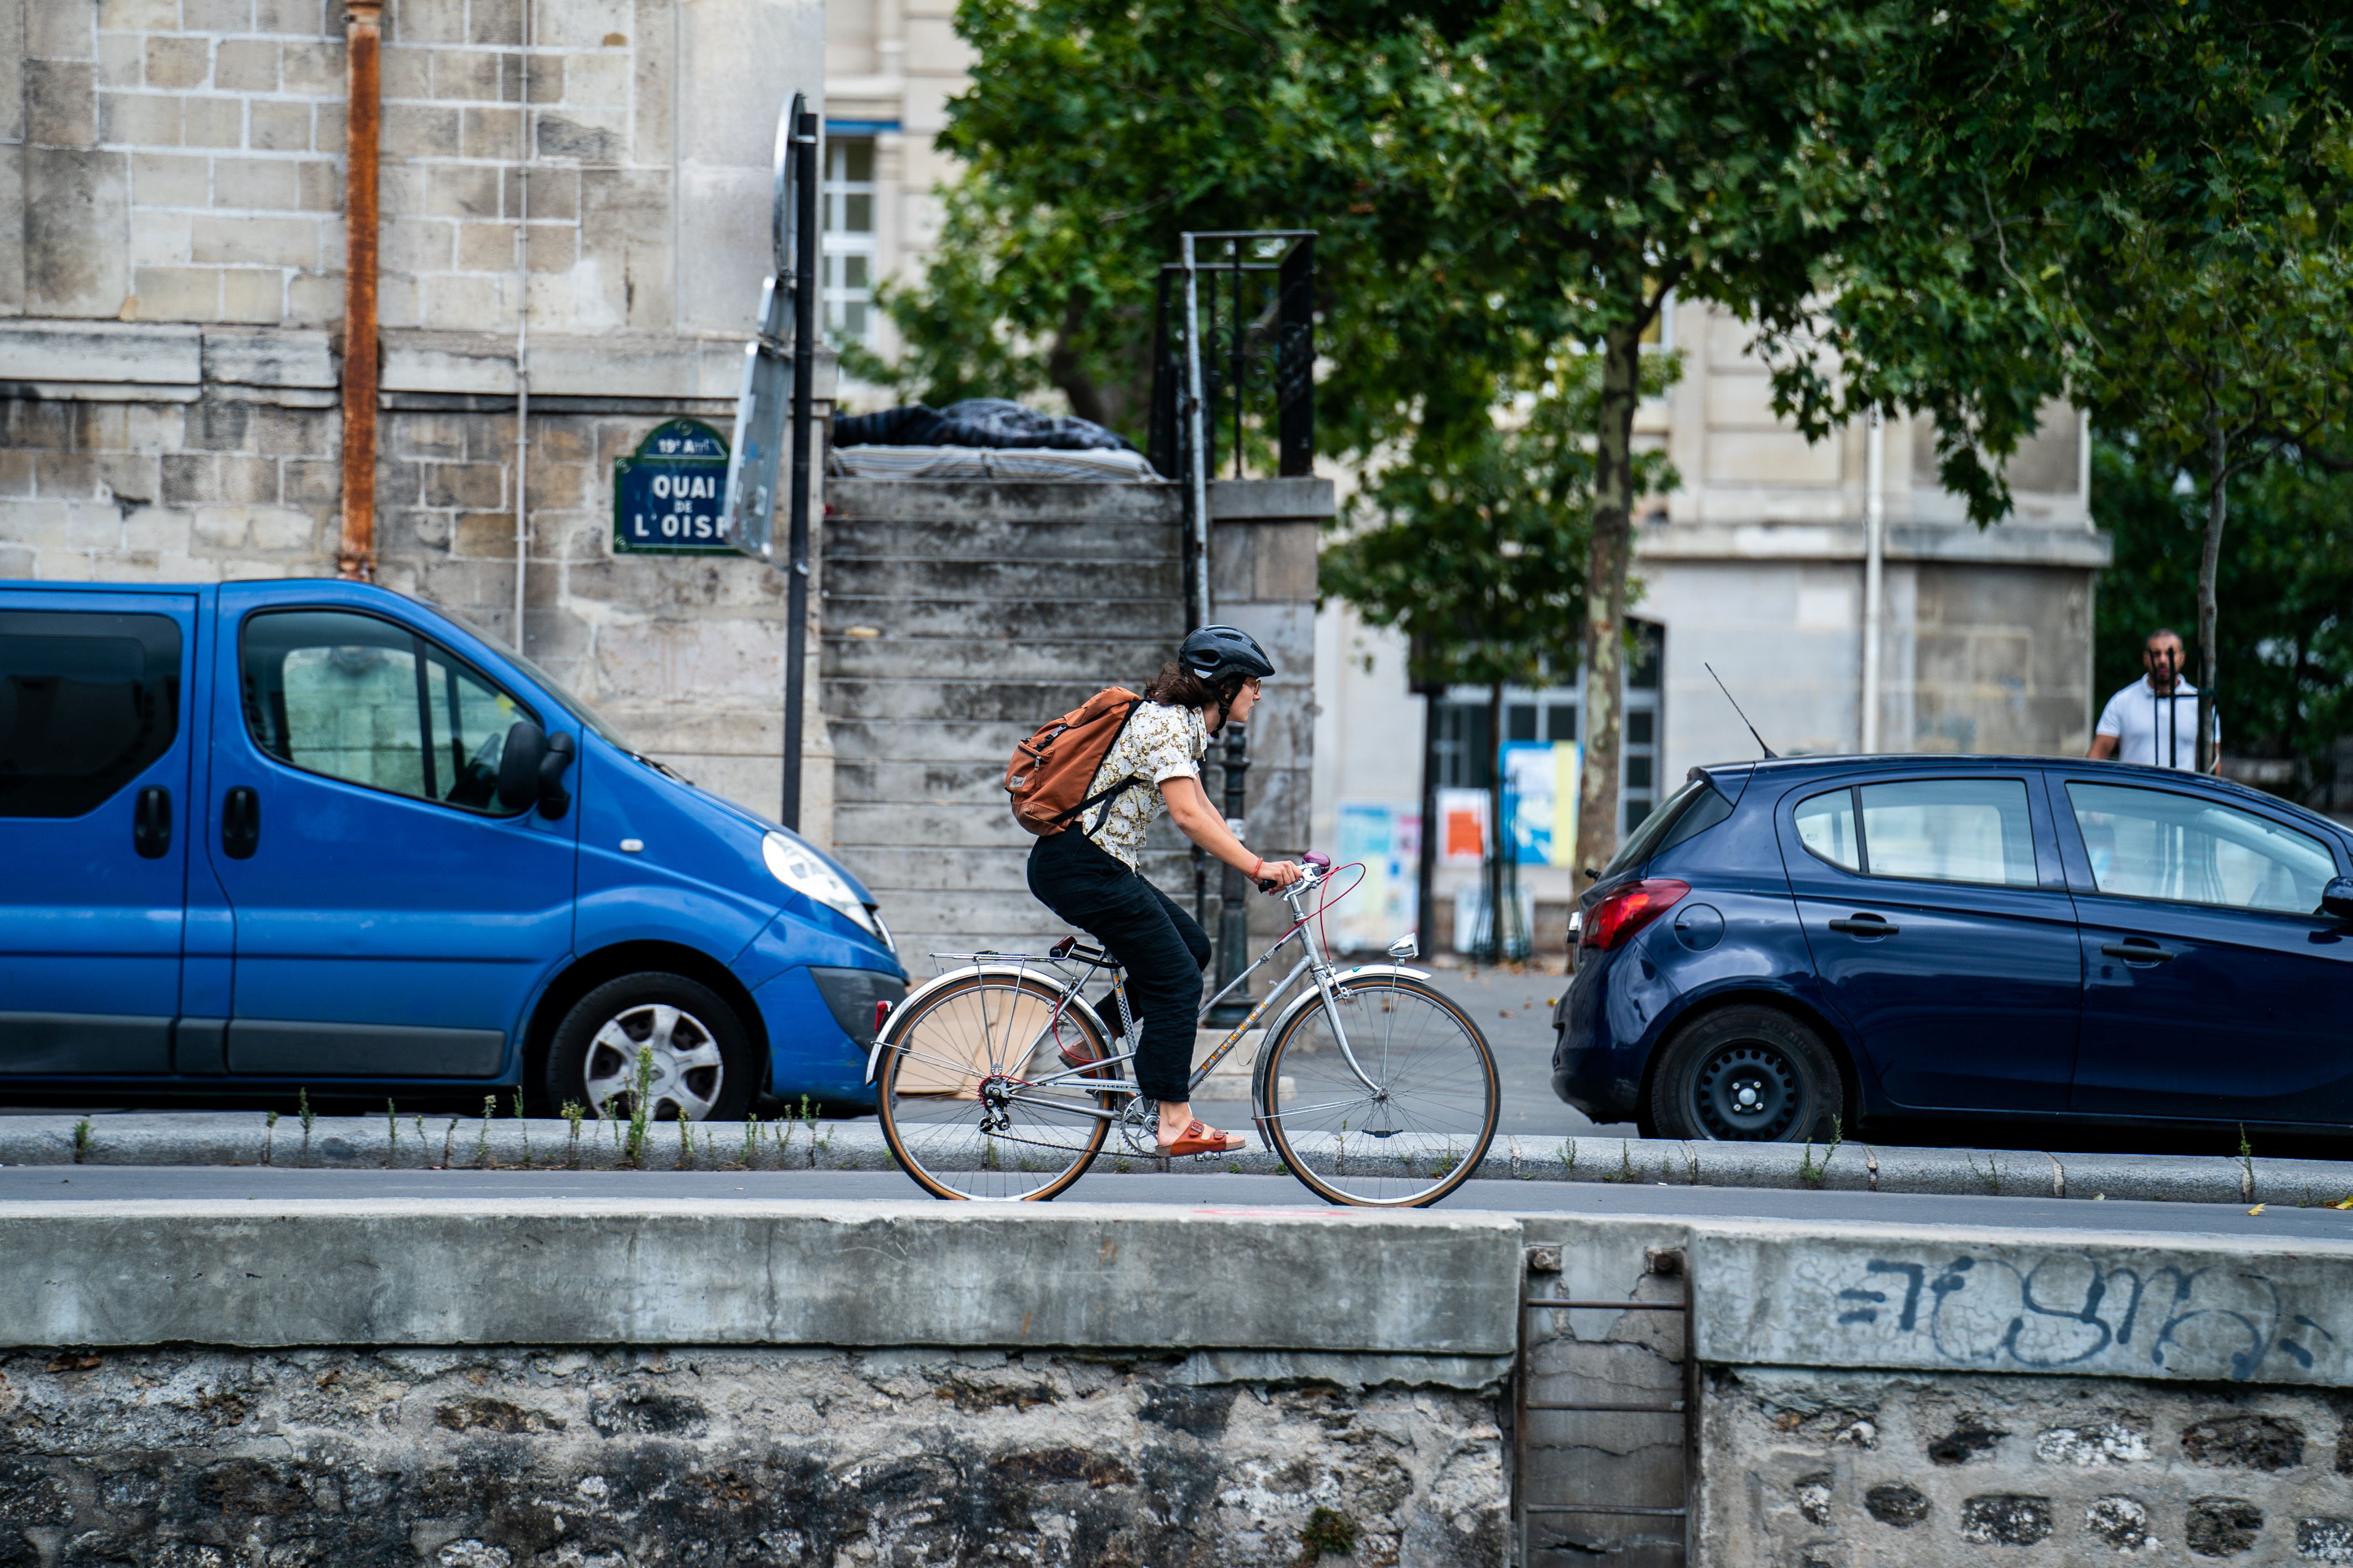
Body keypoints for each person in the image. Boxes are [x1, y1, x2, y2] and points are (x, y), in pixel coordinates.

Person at [1026, 626, 1303, 1157]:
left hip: (1097, 865)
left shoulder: (1180, 727)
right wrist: (1259, 865)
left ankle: (1090, 1040)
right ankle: (1174, 1119)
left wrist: (1255, 868)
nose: (1258, 694)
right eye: (1252, 684)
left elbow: (1205, 809)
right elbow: (1186, 816)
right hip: (1083, 866)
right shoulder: (1167, 729)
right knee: (1176, 979)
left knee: (1192, 948)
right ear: (1223, 686)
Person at [2088, 627, 2218, 772]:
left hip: (2183, 793)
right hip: (2135, 791)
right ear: (2146, 659)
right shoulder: (2123, 701)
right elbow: (2097, 756)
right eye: (2156, 654)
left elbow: (2213, 765)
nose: (2162, 660)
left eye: (2170, 654)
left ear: (2182, 658)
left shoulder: (2199, 703)